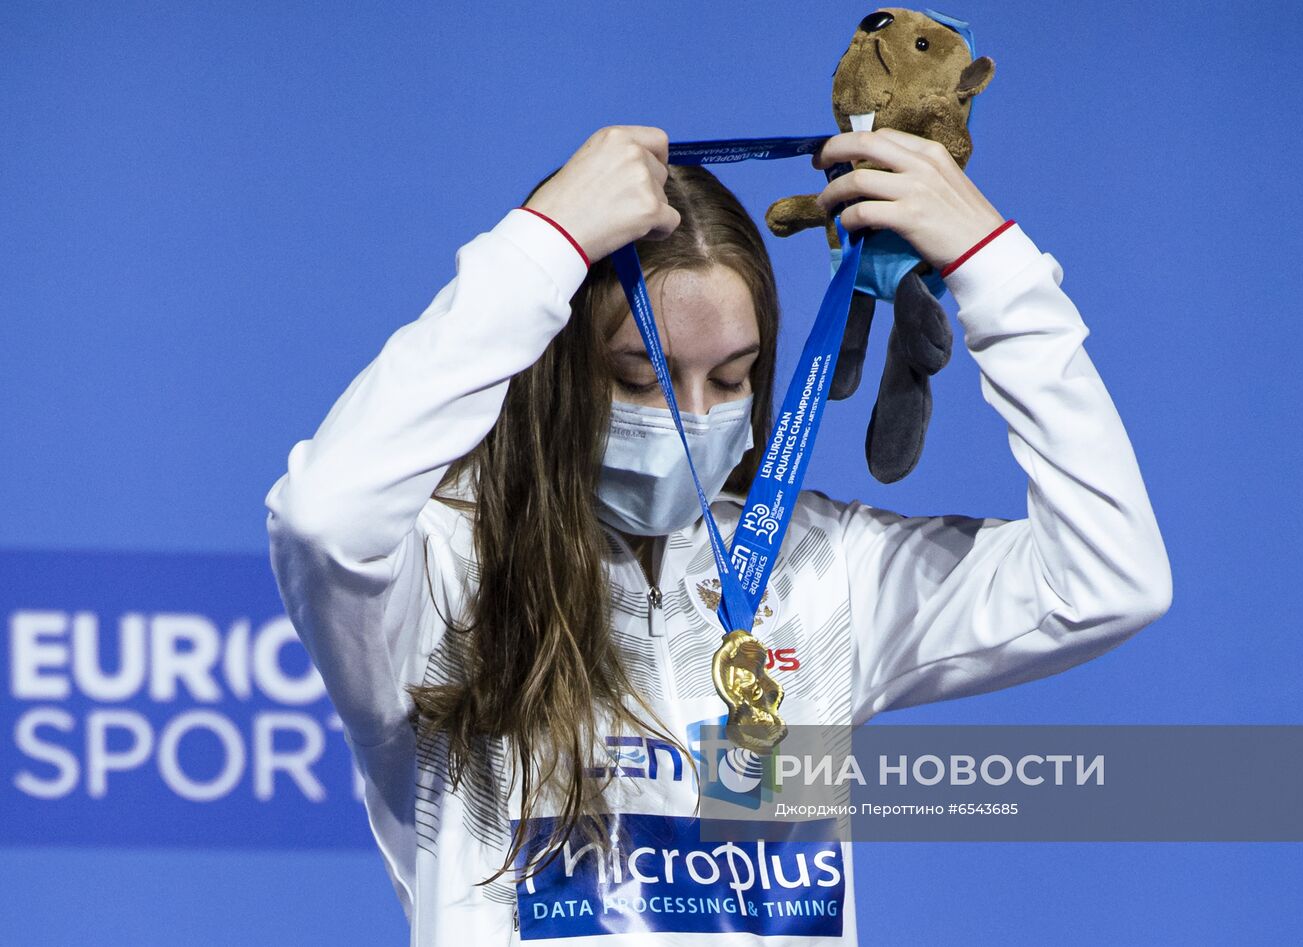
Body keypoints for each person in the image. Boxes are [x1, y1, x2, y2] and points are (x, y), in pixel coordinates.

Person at [266, 124, 1172, 945]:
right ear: (550, 368)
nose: (691, 418)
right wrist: (540, 247)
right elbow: (322, 516)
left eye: (733, 378)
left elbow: (1109, 576)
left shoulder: (824, 569)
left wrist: (995, 272)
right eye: (639, 379)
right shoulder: (444, 576)